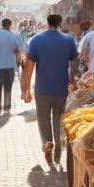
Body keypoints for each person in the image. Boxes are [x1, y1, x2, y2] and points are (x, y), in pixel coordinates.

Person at [23, 13, 78, 165]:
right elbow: (74, 59)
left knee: (43, 119)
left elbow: (30, 66)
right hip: (61, 88)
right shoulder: (68, 40)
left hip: (42, 88)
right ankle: (59, 145)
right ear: (60, 23)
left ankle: (47, 143)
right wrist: (72, 77)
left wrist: (26, 88)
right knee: (58, 118)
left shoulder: (37, 40)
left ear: (47, 23)